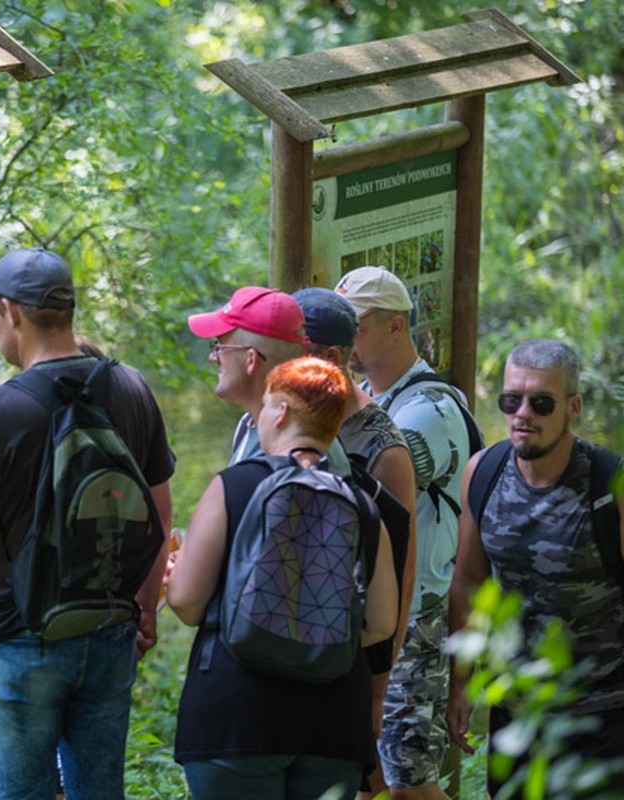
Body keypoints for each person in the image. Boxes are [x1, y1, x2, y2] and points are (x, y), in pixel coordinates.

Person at [0, 247, 174, 800]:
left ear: (10, 312)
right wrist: (144, 606)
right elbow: (159, 510)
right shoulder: (129, 386)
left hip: (16, 641)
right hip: (108, 629)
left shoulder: (0, 410)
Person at [446, 339, 624, 798]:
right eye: (511, 400)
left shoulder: (615, 486)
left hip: (600, 713)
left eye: (541, 402)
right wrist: (459, 684)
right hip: (516, 708)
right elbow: (469, 581)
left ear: (572, 407)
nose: (523, 413)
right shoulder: (484, 472)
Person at [165, 356, 398, 800]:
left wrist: (176, 580)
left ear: (282, 412)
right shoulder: (363, 505)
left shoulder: (233, 486)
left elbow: (189, 603)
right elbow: (382, 622)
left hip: (236, 716)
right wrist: (314, 634)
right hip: (332, 725)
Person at [335, 266, 474, 800]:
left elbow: (381, 473)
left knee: (409, 784)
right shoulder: (370, 395)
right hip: (376, 616)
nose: (348, 344)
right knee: (369, 775)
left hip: (415, 620)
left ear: (396, 326)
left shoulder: (431, 410)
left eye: (358, 328)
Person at [293, 287, 418, 798]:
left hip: (342, 660)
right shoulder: (262, 415)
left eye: (288, 347)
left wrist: (378, 688)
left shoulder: (381, 445)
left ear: (329, 358)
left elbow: (400, 571)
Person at [187, 285, 350, 472]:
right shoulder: (254, 424)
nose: (213, 357)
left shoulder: (290, 449)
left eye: (220, 348)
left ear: (251, 360)